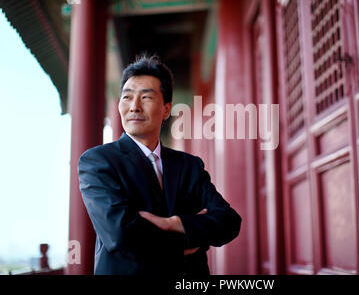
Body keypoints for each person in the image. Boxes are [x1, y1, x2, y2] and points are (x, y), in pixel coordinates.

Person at [78, 55, 241, 275]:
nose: (134, 107)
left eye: (146, 97)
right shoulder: (98, 162)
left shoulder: (189, 166)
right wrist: (190, 237)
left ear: (166, 109)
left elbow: (228, 222)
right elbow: (120, 234)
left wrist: (173, 223)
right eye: (126, 98)